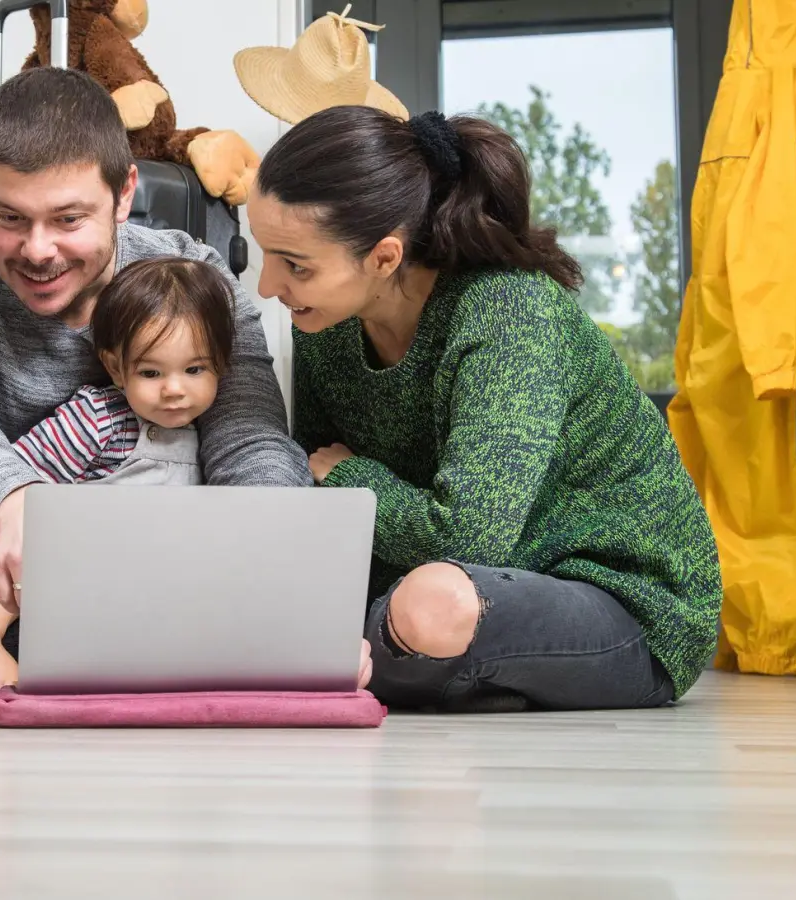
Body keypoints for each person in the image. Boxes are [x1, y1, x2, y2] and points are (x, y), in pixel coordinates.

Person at [0, 67, 313, 706]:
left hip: (149, 557)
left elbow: (248, 438)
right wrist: (16, 505)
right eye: (7, 217)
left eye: (68, 219)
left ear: (123, 195)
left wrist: (279, 568)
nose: (38, 251)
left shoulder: (198, 281)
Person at [247, 105, 723, 712]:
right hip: (455, 580)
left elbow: (471, 535)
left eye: (295, 265)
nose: (267, 286)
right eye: (265, 253)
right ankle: (436, 670)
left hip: (623, 601)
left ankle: (416, 664)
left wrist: (349, 478)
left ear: (385, 257)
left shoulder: (509, 311)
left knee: (431, 607)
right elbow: (331, 516)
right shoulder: (326, 329)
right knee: (318, 622)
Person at [0, 256, 234, 695]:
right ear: (116, 368)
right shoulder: (99, 418)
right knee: (35, 537)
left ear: (221, 366)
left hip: (137, 592)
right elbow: (14, 477)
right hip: (72, 573)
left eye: (194, 370)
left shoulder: (213, 438)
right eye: (151, 372)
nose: (174, 389)